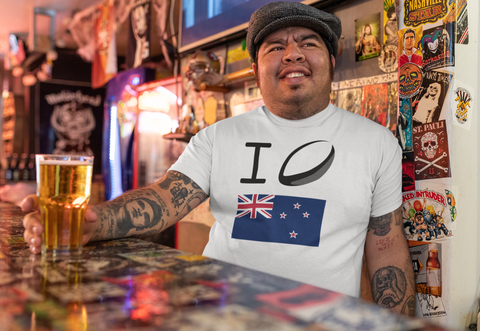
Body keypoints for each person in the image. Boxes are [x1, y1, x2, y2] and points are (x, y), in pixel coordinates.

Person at [23, 1, 414, 316]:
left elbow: (387, 248)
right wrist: (94, 223)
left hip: (320, 322)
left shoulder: (376, 143)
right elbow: (164, 199)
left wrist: (399, 324)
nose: (293, 53)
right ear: (257, 69)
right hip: (219, 315)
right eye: (275, 47)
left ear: (332, 58)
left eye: (309, 43)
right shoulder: (218, 137)